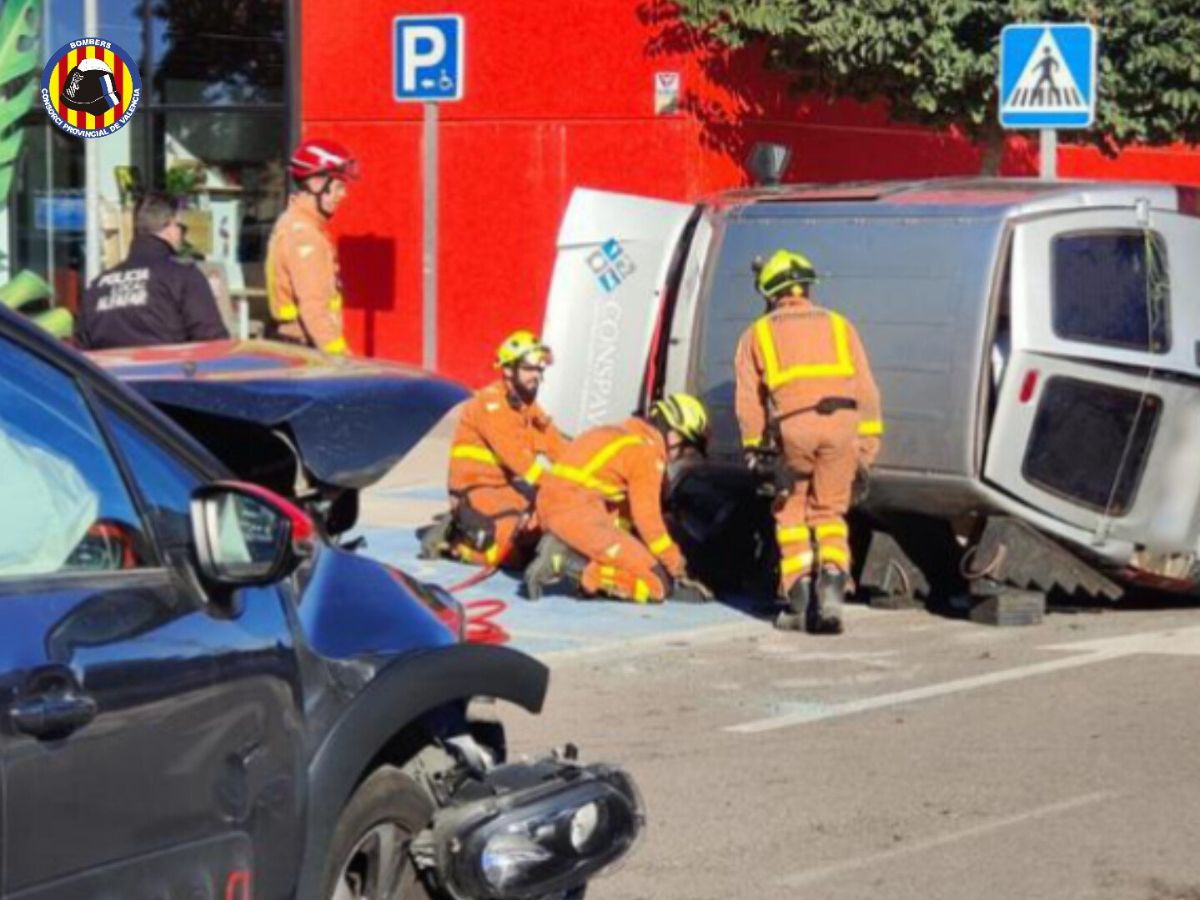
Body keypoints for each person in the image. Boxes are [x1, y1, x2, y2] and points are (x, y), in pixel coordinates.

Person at [734, 249, 883, 634]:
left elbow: (748, 400)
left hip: (793, 429)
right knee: (830, 511)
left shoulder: (758, 333)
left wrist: (754, 450)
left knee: (791, 510)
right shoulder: (840, 325)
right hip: (843, 426)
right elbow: (866, 389)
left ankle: (797, 595)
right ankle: (833, 584)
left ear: (769, 291)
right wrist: (865, 449)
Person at [525, 393, 713, 604]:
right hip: (574, 513)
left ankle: (566, 548)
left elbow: (620, 513)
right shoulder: (647, 454)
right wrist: (676, 566)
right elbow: (648, 522)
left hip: (557, 508)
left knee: (629, 557)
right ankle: (570, 564)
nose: (682, 456)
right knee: (656, 583)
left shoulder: (620, 433)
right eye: (688, 448)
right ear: (676, 435)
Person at [420, 329, 569, 567]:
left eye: (540, 370)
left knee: (551, 522)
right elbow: (517, 459)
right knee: (509, 553)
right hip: (477, 487)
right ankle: (456, 538)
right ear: (508, 370)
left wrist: (584, 475)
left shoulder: (529, 407)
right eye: (530, 369)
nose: (537, 376)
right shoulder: (490, 404)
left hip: (508, 489)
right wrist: (559, 484)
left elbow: (557, 446)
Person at [76, 194, 228, 350]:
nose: (182, 235)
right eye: (181, 227)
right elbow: (213, 343)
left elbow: (81, 352)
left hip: (107, 374)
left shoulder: (97, 287)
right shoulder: (183, 276)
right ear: (169, 226)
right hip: (168, 372)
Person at [266, 138, 358, 355]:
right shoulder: (305, 237)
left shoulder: (296, 225)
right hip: (306, 352)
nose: (342, 195)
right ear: (316, 183)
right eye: (338, 187)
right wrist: (343, 360)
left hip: (295, 348)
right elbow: (314, 312)